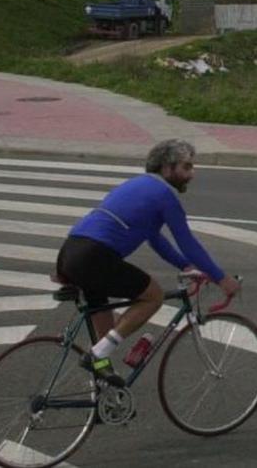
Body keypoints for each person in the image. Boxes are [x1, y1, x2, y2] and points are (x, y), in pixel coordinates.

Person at [55, 139, 241, 386]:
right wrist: (222, 278)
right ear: (167, 168)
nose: (192, 174)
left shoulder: (137, 185)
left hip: (71, 251)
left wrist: (185, 266)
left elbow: (154, 239)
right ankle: (96, 357)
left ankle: (102, 381)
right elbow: (188, 242)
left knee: (103, 325)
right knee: (153, 296)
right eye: (186, 167)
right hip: (94, 255)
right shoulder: (164, 195)